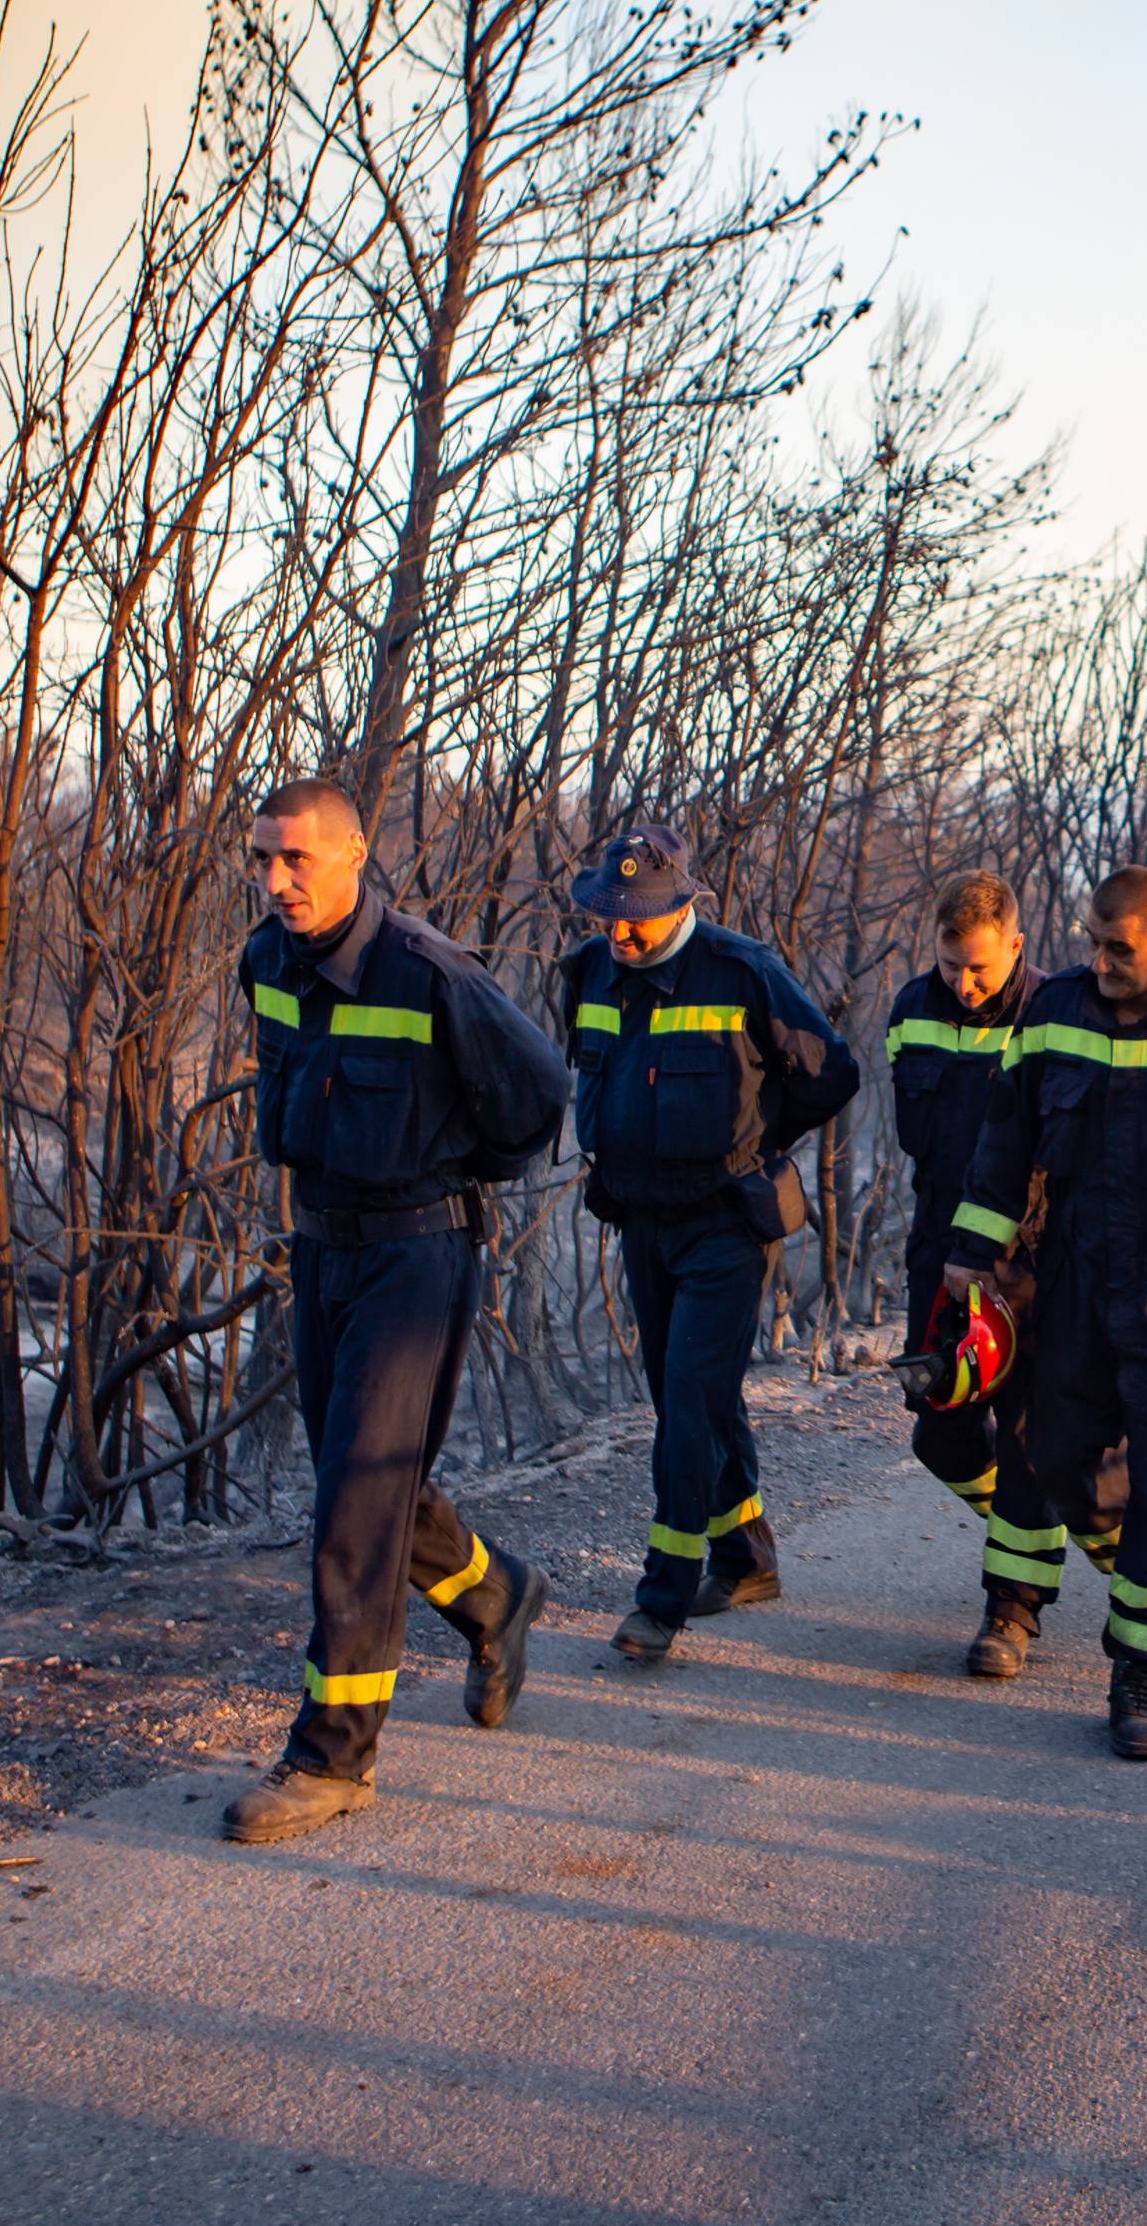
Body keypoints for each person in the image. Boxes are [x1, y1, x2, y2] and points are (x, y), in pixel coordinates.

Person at [222, 778, 571, 1845]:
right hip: (322, 1250)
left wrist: (452, 1176)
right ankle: (496, 1597)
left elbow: (538, 1094)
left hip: (419, 1255)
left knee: (354, 1505)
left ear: (355, 854)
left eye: (299, 860)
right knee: (372, 1485)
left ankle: (333, 1757)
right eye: (264, 860)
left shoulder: (428, 973)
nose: (278, 881)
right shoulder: (266, 963)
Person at [946, 866, 1147, 1760]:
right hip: (1074, 1277)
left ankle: (1139, 1670)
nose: (1098, 960)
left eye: (1117, 947)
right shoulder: (1052, 1011)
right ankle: (1132, 1551)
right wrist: (975, 1254)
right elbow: (1003, 1140)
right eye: (1091, 940)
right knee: (1051, 1449)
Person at [563, 825, 858, 1662]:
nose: (620, 933)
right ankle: (746, 1556)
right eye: (607, 916)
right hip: (640, 1218)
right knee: (687, 1397)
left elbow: (831, 1071)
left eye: (639, 918)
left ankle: (661, 1599)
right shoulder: (589, 975)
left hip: (727, 1221)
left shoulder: (742, 970)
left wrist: (759, 1139)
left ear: (684, 904)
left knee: (689, 1403)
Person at [887, 871, 1123, 1677]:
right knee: (941, 1428)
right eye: (951, 963)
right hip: (940, 1253)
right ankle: (1043, 1522)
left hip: (1034, 1259)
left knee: (1027, 1434)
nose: (964, 981)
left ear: (1016, 946)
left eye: (980, 966)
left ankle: (1011, 1609)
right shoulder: (908, 1013)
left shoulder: (1060, 1013)